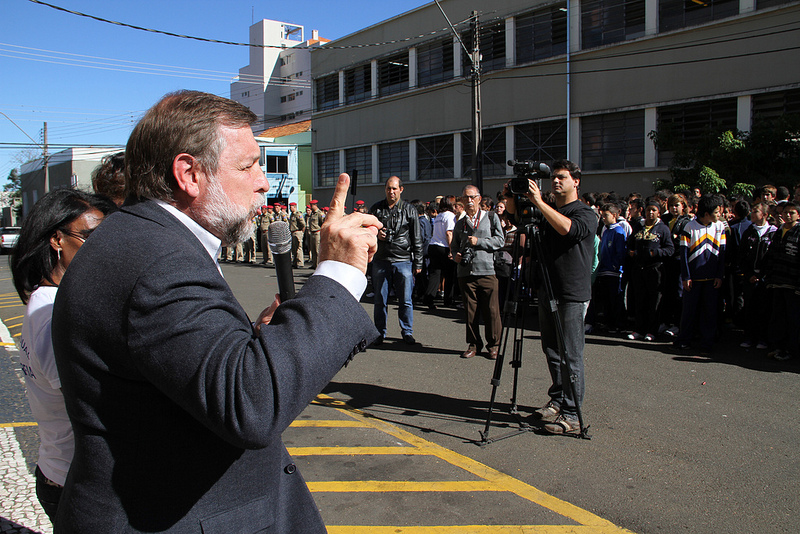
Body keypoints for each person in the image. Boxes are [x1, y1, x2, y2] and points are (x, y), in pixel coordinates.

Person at [50, 90, 381, 534]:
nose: (263, 181)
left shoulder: (139, 238)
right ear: (189, 173)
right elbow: (251, 403)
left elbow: (179, 363)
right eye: (247, 166)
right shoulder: (158, 259)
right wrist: (339, 273)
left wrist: (257, 338)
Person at [10, 189, 115, 526]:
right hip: (74, 478)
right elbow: (91, 399)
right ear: (57, 239)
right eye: (89, 236)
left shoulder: (52, 300)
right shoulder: (53, 313)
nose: (102, 247)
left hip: (66, 470)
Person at [505, 159, 595, 436]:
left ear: (576, 181)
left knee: (571, 355)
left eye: (562, 177)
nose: (556, 181)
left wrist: (540, 203)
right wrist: (513, 194)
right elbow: (517, 218)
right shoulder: (548, 209)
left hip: (571, 293)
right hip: (547, 289)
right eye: (554, 177)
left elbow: (568, 230)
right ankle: (558, 399)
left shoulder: (584, 212)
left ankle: (572, 414)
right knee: (552, 351)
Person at [452, 185, 505, 360]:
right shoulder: (460, 222)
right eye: (465, 198)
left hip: (487, 270)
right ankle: (474, 344)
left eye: (472, 197)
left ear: (479, 199)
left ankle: (494, 345)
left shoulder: (491, 217)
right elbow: (453, 247)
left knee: (492, 311)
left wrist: (479, 242)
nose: (469, 201)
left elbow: (500, 241)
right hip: (466, 272)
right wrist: (456, 256)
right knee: (470, 312)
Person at [369, 176, 423, 345]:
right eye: (388, 188)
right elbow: (366, 232)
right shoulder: (376, 209)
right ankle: (379, 332)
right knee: (379, 300)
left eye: (394, 188)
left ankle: (407, 331)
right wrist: (376, 234)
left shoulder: (410, 209)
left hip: (403, 260)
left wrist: (418, 263)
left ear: (401, 189)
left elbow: (417, 238)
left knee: (405, 300)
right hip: (381, 260)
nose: (391, 192)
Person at [673, 194, 727, 353]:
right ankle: (684, 339)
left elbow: (722, 253)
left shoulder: (720, 227)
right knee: (689, 311)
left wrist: (719, 275)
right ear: (706, 213)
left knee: (710, 312)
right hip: (693, 278)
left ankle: (707, 342)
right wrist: (686, 276)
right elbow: (683, 254)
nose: (719, 215)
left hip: (712, 278)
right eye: (716, 212)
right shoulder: (689, 227)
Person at [626, 200, 674, 341]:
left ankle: (652, 331)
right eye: (648, 210)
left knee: (654, 302)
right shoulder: (638, 226)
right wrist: (631, 252)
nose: (650, 213)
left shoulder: (662, 229)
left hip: (655, 270)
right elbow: (629, 243)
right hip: (639, 269)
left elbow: (670, 249)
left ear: (658, 212)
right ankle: (638, 329)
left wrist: (655, 253)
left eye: (653, 210)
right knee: (640, 300)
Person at [424, 195, 457, 310]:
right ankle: (448, 300)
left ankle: (429, 298)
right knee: (449, 275)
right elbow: (449, 233)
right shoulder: (450, 216)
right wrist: (451, 249)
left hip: (433, 246)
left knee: (435, 274)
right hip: (444, 247)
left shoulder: (439, 216)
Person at [307, 199, 325, 268]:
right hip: (312, 233)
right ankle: (314, 264)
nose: (310, 207)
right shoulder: (312, 213)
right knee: (313, 250)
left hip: (317, 233)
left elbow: (322, 223)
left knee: (317, 250)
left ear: (315, 205)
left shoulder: (320, 213)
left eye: (311, 205)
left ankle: (318, 265)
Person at [288, 201, 306, 268]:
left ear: (294, 207)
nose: (290, 208)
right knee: (294, 249)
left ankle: (300, 263)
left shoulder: (298, 214)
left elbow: (303, 224)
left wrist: (300, 231)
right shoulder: (292, 214)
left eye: (291, 207)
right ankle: (295, 262)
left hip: (297, 232)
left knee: (298, 248)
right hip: (293, 232)